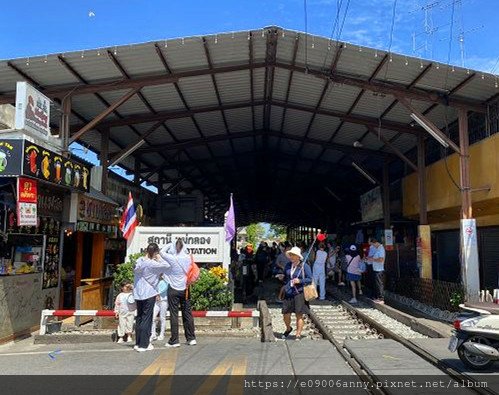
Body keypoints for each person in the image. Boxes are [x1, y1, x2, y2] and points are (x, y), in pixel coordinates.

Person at [133, 243, 171, 352]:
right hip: (149, 292)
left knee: (139, 317)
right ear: (155, 252)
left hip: (137, 293)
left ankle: (138, 342)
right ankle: (144, 344)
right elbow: (167, 265)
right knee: (147, 318)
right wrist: (158, 257)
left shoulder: (139, 261)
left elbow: (136, 268)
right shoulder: (153, 264)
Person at [160, 239, 196, 347]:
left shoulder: (172, 258)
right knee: (187, 313)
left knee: (174, 314)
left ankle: (174, 340)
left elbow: (161, 252)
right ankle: (191, 338)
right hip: (185, 288)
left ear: (174, 247)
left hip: (173, 288)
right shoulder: (188, 257)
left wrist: (169, 244)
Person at [277, 246, 313, 341]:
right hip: (289, 292)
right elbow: (286, 277)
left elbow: (310, 279)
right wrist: (282, 277)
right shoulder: (288, 265)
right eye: (290, 255)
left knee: (299, 314)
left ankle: (298, 333)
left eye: (293, 255)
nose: (291, 257)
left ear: (298, 256)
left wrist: (300, 281)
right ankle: (288, 328)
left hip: (299, 292)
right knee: (286, 314)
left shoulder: (304, 266)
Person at [367, 237, 385, 303]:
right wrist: (370, 257)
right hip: (376, 268)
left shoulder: (381, 249)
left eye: (373, 244)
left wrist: (373, 259)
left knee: (379, 284)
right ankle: (378, 297)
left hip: (379, 269)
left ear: (376, 243)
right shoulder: (378, 249)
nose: (373, 246)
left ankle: (381, 298)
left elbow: (381, 259)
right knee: (377, 284)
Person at [151, 276, 169, 341]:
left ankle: (162, 334)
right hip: (156, 301)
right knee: (152, 317)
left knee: (162, 317)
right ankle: (153, 334)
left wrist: (158, 293)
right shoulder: (155, 280)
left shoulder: (166, 280)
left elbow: (165, 287)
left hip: (164, 300)